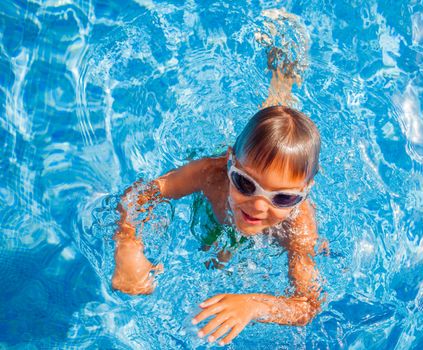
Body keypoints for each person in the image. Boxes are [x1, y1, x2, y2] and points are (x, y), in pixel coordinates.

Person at [111, 23, 322, 345]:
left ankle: (287, 68)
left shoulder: (299, 227)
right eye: (246, 184)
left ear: (304, 193)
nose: (259, 206)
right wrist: (128, 247)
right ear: (229, 164)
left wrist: (254, 304)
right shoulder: (211, 174)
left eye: (283, 199)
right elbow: (143, 194)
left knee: (280, 114)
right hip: (235, 166)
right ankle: (282, 68)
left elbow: (307, 304)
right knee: (273, 116)